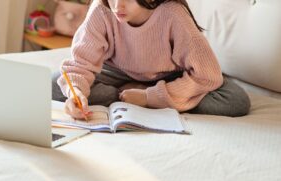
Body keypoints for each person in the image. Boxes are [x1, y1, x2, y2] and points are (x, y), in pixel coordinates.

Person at [52, 0, 250, 119]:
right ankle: (129, 93)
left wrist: (149, 97)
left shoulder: (172, 14)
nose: (117, 5)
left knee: (235, 101)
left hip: (170, 76)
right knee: (53, 84)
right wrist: (76, 94)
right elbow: (81, 64)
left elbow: (208, 75)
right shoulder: (102, 8)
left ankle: (142, 95)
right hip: (118, 73)